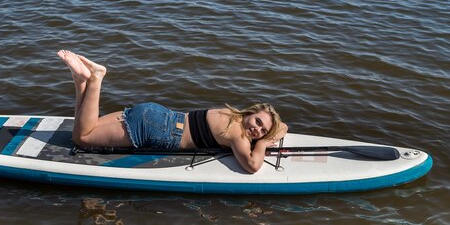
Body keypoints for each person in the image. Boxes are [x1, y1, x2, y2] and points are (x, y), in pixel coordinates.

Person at [58, 50, 288, 174]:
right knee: (83, 138)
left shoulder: (230, 115)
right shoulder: (237, 134)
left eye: (262, 130)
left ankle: (80, 82)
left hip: (156, 113)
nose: (256, 129)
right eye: (257, 121)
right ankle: (96, 79)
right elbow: (252, 166)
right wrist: (264, 143)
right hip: (158, 131)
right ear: (249, 113)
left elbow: (284, 127)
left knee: (89, 125)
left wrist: (271, 132)